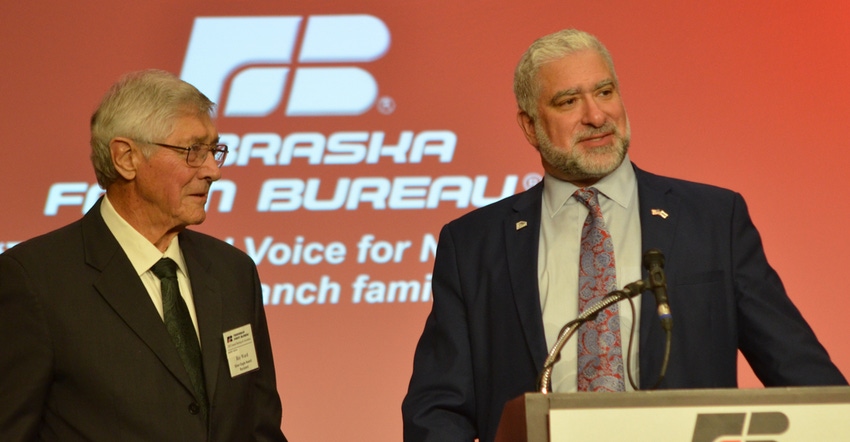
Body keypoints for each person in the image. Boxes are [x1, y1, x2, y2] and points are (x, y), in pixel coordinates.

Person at [401, 29, 847, 442]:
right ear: (529, 126)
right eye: (568, 101)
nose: (596, 116)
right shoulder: (474, 244)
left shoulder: (712, 220)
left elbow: (802, 375)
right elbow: (438, 407)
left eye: (605, 92)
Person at [0, 70, 287, 441]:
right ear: (126, 158)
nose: (213, 170)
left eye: (215, 150)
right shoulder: (34, 281)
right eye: (192, 151)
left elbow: (259, 427)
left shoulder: (233, 273)